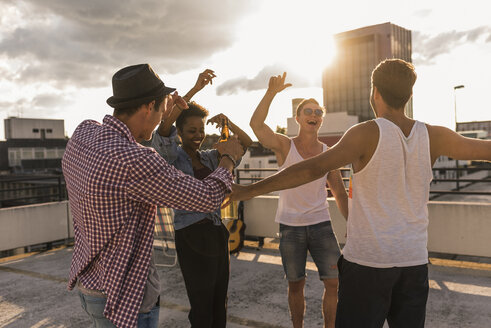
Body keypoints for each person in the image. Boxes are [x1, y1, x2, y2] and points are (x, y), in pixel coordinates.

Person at [227, 59, 491, 328]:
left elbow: (312, 169)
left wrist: (247, 191)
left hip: (368, 263)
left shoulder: (365, 133)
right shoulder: (436, 135)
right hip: (413, 264)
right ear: (409, 95)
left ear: (375, 92)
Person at [62, 63, 244, 328]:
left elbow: (133, 151)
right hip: (126, 300)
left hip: (90, 286)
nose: (162, 117)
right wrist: (228, 158)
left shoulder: (84, 132)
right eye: (160, 109)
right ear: (149, 107)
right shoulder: (135, 161)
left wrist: (168, 111)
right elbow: (207, 197)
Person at [151, 69, 252, 328]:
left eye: (201, 130)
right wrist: (195, 89)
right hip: (191, 235)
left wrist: (227, 122)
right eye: (191, 130)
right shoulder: (173, 157)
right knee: (201, 304)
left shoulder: (209, 156)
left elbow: (244, 144)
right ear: (180, 133)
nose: (198, 135)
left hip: (218, 232)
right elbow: (163, 130)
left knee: (220, 300)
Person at [249, 73, 348, 328]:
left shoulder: (329, 154)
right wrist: (271, 93)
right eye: (308, 111)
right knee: (296, 284)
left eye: (317, 111)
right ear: (299, 118)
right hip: (290, 227)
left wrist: (354, 223)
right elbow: (257, 126)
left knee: (334, 282)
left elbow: (338, 189)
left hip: (321, 225)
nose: (313, 114)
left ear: (320, 119)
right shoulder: (285, 146)